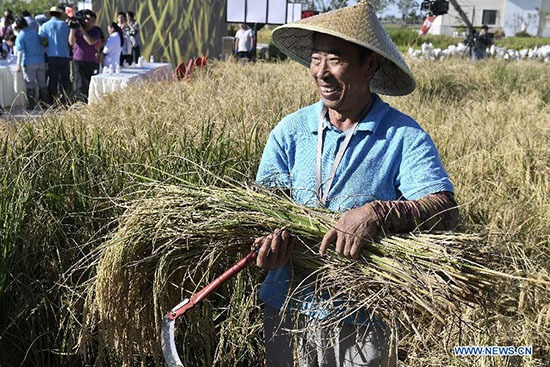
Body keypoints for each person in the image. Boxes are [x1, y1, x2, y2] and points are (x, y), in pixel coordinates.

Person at [253, 3, 459, 366]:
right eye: (316, 59)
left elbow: (445, 208)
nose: (322, 72)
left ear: (370, 65)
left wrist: (376, 213)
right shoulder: (291, 131)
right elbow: (263, 205)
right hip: (287, 307)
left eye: (336, 59)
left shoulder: (402, 137)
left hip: (364, 317)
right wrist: (266, 241)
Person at [13, 16, 47, 109]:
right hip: (41, 60)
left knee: (30, 84)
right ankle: (45, 103)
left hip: (29, 62)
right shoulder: (34, 32)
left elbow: (20, 52)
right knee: (42, 83)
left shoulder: (21, 35)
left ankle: (31, 104)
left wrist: (18, 64)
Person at [39, 6, 70, 102]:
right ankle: (64, 100)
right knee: (65, 79)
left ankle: (52, 100)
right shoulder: (65, 25)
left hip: (51, 55)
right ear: (60, 15)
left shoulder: (44, 26)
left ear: (50, 14)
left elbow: (43, 42)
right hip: (64, 55)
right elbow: (69, 41)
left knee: (53, 78)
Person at [69, 9, 100, 100]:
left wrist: (82, 30)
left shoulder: (96, 31)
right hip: (78, 60)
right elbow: (71, 42)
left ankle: (88, 101)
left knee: (89, 83)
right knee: (79, 83)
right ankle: (80, 103)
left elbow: (91, 42)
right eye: (85, 19)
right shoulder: (77, 30)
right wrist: (72, 28)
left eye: (90, 19)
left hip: (90, 61)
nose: (87, 21)